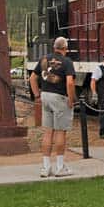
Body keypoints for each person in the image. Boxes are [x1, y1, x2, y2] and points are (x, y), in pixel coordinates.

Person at [29, 37, 76, 177]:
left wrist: (37, 95)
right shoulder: (67, 62)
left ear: (54, 47)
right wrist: (71, 99)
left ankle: (46, 167)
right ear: (65, 48)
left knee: (48, 132)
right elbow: (69, 83)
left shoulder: (44, 59)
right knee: (61, 132)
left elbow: (32, 78)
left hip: (45, 96)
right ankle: (60, 167)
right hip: (60, 97)